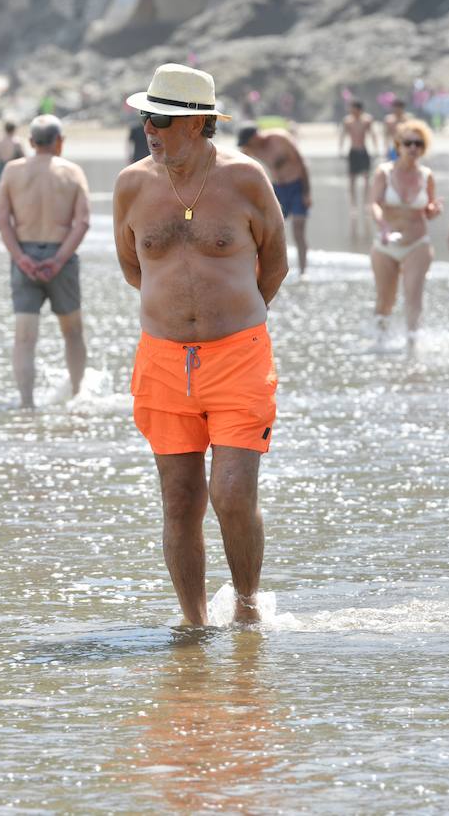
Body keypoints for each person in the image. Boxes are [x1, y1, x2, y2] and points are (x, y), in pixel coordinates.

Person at [113, 64, 288, 626]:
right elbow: (132, 267)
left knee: (232, 494)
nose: (150, 130)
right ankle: (193, 625)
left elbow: (276, 264)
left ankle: (246, 609)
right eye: (146, 118)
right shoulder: (132, 185)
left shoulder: (245, 179)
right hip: (162, 361)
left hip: (238, 356)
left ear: (199, 124)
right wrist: (179, 314)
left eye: (161, 120)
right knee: (180, 501)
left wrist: (226, 318)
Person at [0, 115, 91, 409]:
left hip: (24, 255)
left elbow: (2, 222)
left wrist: (22, 259)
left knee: (25, 337)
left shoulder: (12, 171)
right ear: (59, 142)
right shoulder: (72, 172)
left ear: (31, 142)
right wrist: (59, 259)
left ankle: (26, 404)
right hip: (60, 257)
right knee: (72, 332)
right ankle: (77, 397)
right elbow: (82, 223)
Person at [368, 119, 442, 352]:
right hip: (385, 243)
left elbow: (428, 210)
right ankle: (380, 343)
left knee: (413, 297)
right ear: (398, 145)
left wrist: (433, 211)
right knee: (385, 300)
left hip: (417, 243)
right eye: (408, 143)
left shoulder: (426, 175)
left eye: (418, 144)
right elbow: (374, 204)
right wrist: (382, 225)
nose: (413, 148)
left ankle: (413, 345)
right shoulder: (384, 172)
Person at [237, 123, 312, 277]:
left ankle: (303, 271)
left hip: (297, 186)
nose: (249, 146)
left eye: (249, 142)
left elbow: (302, 162)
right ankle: (264, 270)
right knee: (268, 230)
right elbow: (239, 164)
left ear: (255, 137)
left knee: (298, 228)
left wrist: (307, 193)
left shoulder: (280, 138)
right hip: (278, 189)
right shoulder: (251, 148)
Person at [339, 99, 376, 234]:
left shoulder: (367, 120)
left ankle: (367, 204)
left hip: (363, 151)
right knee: (352, 180)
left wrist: (375, 148)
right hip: (353, 152)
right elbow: (343, 135)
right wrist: (341, 148)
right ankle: (353, 205)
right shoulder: (347, 121)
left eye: (354, 108)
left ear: (359, 109)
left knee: (367, 179)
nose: (352, 111)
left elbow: (372, 134)